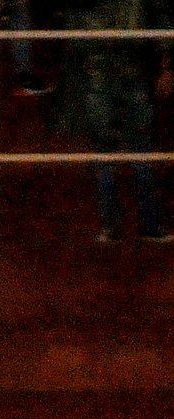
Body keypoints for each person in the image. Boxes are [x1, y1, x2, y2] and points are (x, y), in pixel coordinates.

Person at [59, 0, 174, 242]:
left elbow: (74, 32)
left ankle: (118, 225)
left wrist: (165, 66)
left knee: (120, 152)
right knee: (130, 150)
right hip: (114, 73)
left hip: (112, 73)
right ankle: (138, 225)